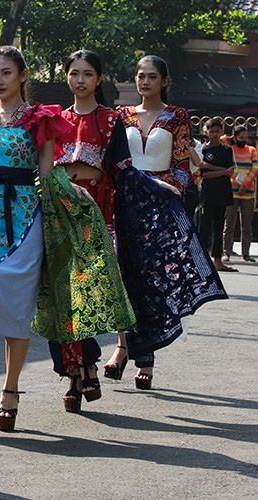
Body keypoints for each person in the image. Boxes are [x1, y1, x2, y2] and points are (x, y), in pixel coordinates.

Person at [0, 45, 71, 433]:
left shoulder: (39, 119)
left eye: (6, 73)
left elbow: (49, 173)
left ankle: (10, 389)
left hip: (25, 219)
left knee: (17, 310)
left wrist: (76, 193)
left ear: (23, 76)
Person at [109, 55, 228, 389]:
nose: (144, 82)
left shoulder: (178, 116)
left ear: (164, 80)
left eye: (151, 77)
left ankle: (146, 357)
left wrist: (171, 189)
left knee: (151, 279)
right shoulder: (122, 115)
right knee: (121, 272)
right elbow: (117, 159)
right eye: (140, 76)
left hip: (159, 203)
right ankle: (121, 348)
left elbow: (181, 161)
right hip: (126, 202)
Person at [35, 49, 136, 413]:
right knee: (59, 293)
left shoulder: (112, 121)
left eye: (88, 74)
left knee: (87, 292)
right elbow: (43, 171)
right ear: (66, 77)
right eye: (74, 73)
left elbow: (124, 171)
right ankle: (78, 370)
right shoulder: (53, 120)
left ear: (99, 79)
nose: (80, 80)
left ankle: (85, 367)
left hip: (96, 214)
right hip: (59, 214)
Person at [198, 118, 236, 272]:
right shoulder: (203, 150)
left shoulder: (226, 150)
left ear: (221, 132)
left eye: (217, 131)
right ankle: (201, 260)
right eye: (211, 131)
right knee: (204, 227)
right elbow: (204, 174)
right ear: (205, 131)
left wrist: (212, 168)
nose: (214, 134)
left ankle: (218, 261)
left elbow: (231, 172)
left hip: (223, 194)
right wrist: (222, 171)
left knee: (219, 227)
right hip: (207, 195)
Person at [222, 125, 257, 262]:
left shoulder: (252, 150)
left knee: (246, 225)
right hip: (232, 192)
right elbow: (220, 140)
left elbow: (255, 168)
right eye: (241, 137)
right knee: (229, 224)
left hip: (248, 193)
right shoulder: (230, 149)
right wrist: (228, 139)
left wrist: (246, 184)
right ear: (235, 137)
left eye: (246, 138)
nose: (244, 140)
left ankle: (246, 253)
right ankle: (227, 252)